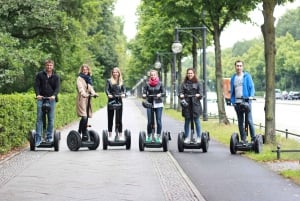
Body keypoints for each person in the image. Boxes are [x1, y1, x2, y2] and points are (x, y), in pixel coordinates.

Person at [34, 59, 60, 146]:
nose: (49, 67)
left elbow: (57, 88)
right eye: (48, 65)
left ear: (53, 66)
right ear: (45, 66)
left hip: (51, 100)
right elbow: (36, 86)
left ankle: (49, 137)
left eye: (50, 65)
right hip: (41, 99)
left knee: (51, 119)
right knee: (39, 119)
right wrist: (37, 94)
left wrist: (54, 96)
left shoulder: (56, 77)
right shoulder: (40, 75)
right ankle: (38, 139)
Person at [230, 60, 256, 143]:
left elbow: (252, 87)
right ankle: (243, 139)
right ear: (235, 67)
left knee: (249, 120)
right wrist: (232, 101)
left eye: (240, 66)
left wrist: (251, 96)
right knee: (240, 122)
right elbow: (232, 91)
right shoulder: (233, 78)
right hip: (237, 103)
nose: (239, 67)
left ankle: (253, 139)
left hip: (246, 101)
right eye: (237, 66)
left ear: (242, 67)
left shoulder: (247, 76)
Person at [179, 68, 203, 143]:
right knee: (187, 120)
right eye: (188, 73)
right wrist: (181, 95)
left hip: (195, 104)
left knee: (196, 120)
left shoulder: (198, 83)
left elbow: (201, 94)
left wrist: (198, 95)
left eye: (191, 73)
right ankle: (187, 137)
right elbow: (180, 93)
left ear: (194, 74)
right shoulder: (183, 83)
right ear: (187, 74)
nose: (190, 74)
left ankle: (199, 137)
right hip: (186, 104)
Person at [76, 64, 98, 141]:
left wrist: (94, 93)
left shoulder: (88, 78)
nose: (85, 71)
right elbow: (80, 88)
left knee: (86, 117)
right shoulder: (79, 78)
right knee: (84, 116)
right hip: (82, 99)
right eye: (83, 69)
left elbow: (91, 88)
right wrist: (83, 94)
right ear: (81, 70)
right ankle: (82, 132)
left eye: (86, 69)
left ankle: (82, 132)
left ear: (88, 70)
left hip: (88, 100)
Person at [142, 69, 165, 143]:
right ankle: (149, 136)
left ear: (156, 75)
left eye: (154, 75)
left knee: (158, 121)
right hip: (149, 103)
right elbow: (144, 91)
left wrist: (160, 94)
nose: (153, 76)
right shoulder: (147, 83)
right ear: (150, 76)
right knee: (149, 121)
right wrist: (144, 94)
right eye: (151, 75)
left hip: (158, 104)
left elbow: (164, 93)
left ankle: (158, 136)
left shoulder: (160, 83)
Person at [105, 67, 126, 140]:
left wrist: (123, 94)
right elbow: (107, 89)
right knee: (110, 118)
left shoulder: (121, 82)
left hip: (119, 101)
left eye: (116, 72)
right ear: (112, 73)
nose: (115, 73)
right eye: (114, 72)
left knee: (119, 119)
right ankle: (110, 134)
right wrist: (108, 94)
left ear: (119, 73)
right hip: (111, 101)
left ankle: (120, 134)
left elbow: (124, 90)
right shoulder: (109, 81)